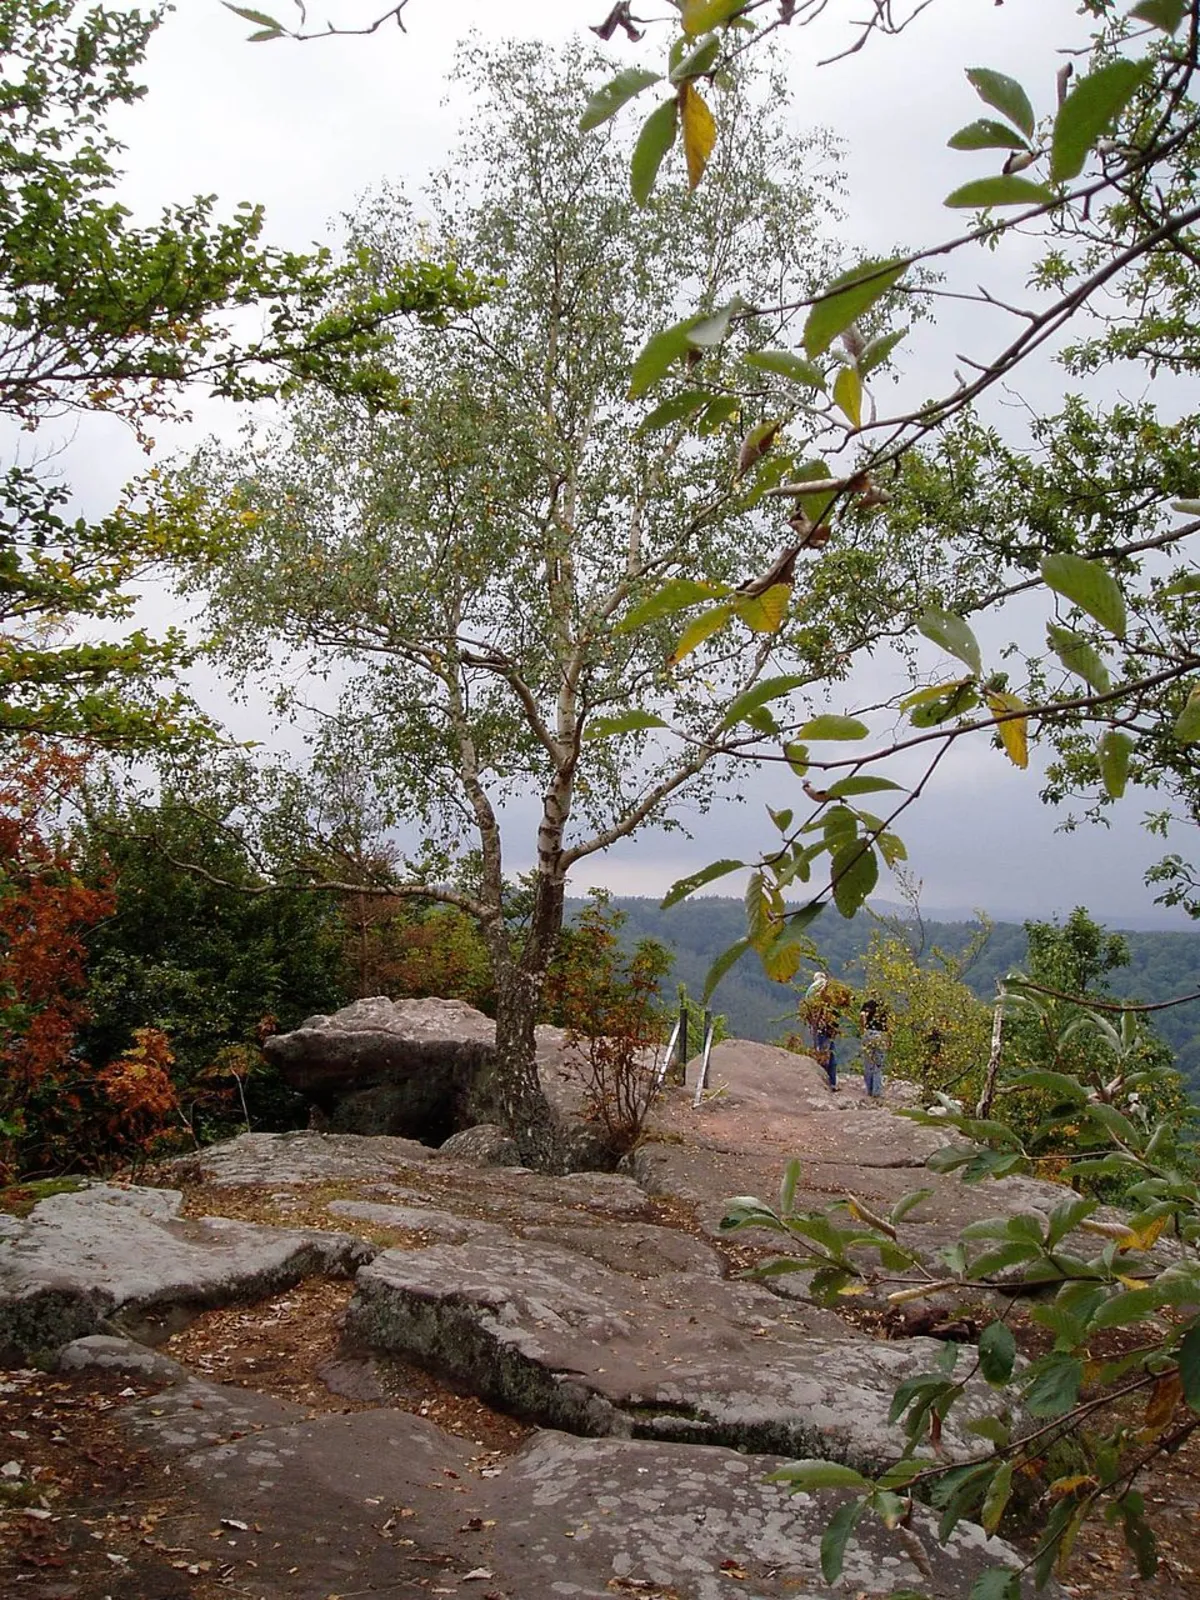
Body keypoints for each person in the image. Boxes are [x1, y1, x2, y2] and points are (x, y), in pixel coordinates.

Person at [804, 971, 839, 1091]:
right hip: (830, 1025)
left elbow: (807, 1008)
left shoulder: (811, 990)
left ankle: (824, 1082)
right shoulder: (829, 987)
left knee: (821, 1051)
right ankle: (832, 1081)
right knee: (831, 1051)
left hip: (817, 1025)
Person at [859, 995, 889, 1100]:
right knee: (878, 1064)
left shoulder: (867, 1004)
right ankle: (877, 1091)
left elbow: (862, 1015)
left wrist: (863, 1028)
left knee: (868, 1063)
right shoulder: (884, 1007)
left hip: (869, 1033)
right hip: (880, 1034)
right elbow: (888, 1024)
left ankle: (869, 1090)